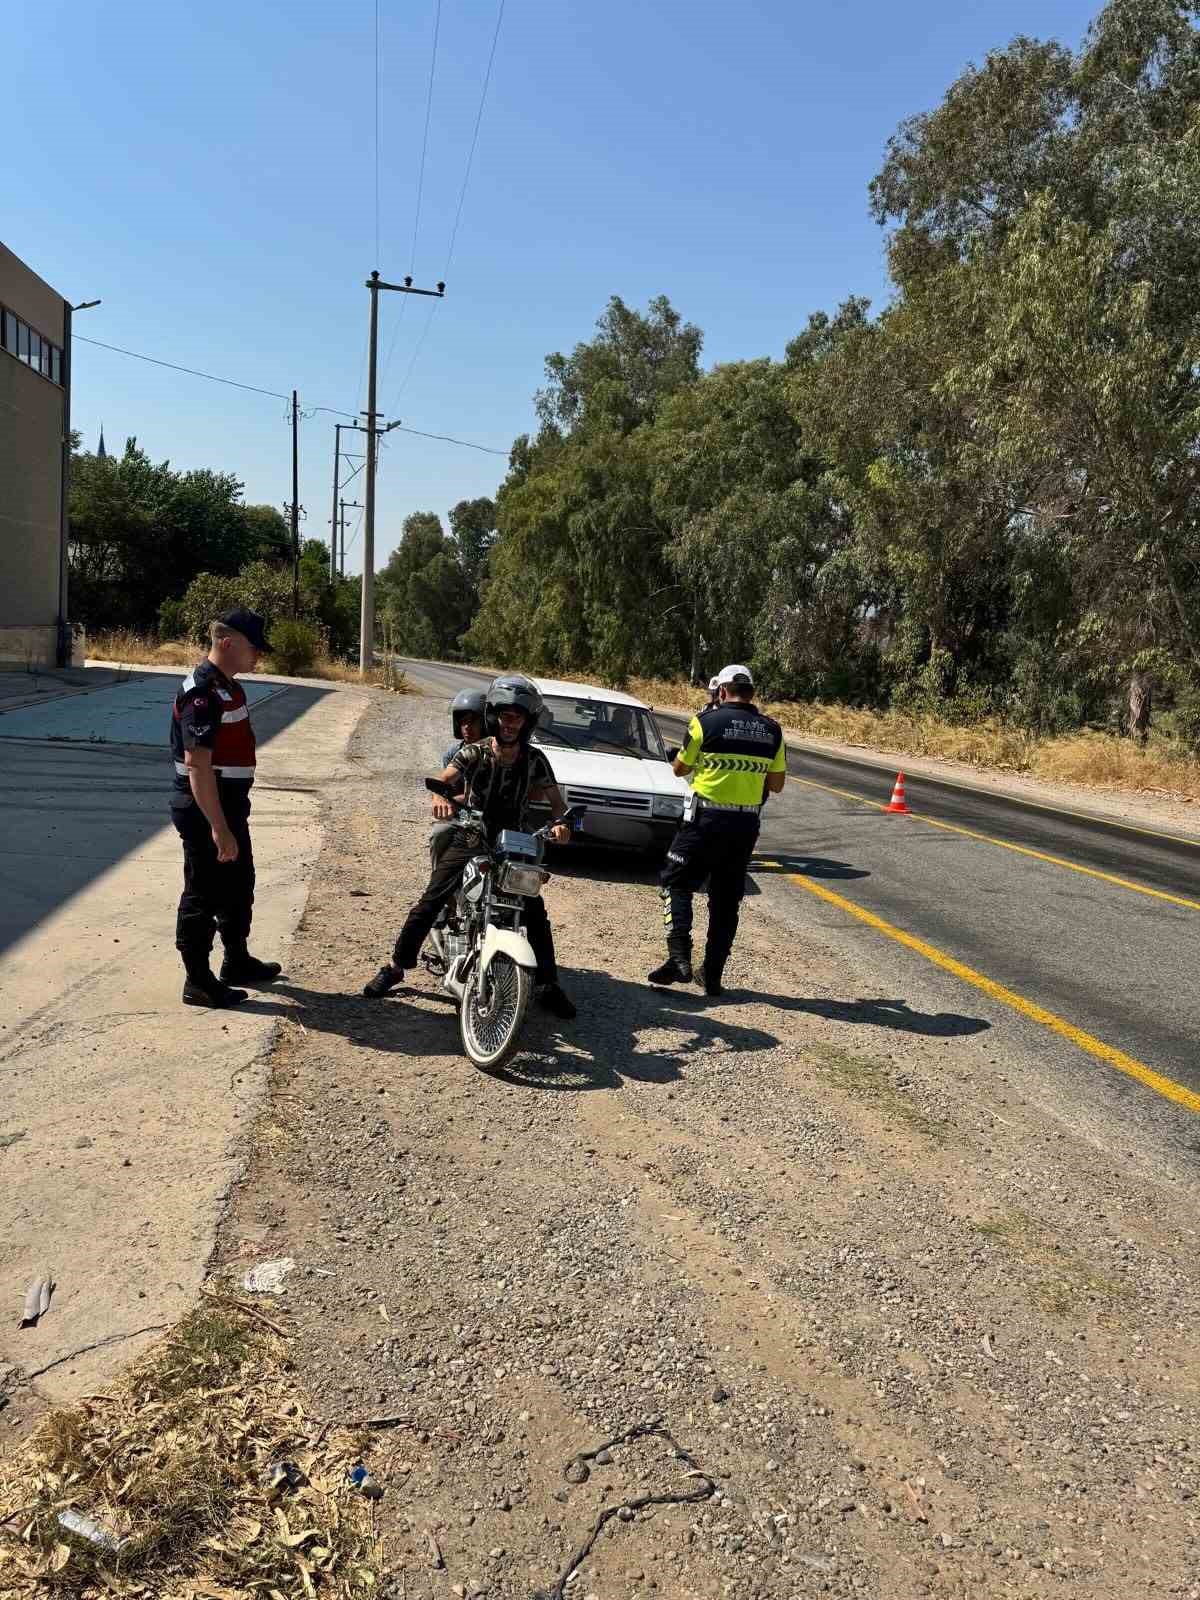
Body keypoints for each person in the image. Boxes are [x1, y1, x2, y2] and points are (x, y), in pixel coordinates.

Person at [363, 674, 577, 1018]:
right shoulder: (474, 751)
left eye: (517, 717)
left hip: (516, 841)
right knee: (431, 899)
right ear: (494, 716)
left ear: (527, 722)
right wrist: (439, 795)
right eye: (505, 716)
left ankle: (547, 984)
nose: (510, 724)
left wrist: (562, 823)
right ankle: (396, 966)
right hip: (473, 834)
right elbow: (446, 776)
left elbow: (555, 801)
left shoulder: (536, 760)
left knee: (534, 911)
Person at [648, 663, 785, 997]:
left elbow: (681, 768)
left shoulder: (704, 722)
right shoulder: (772, 730)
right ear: (752, 693)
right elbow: (777, 784)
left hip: (704, 821)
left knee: (675, 881)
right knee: (726, 900)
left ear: (722, 691)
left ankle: (679, 957)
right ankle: (711, 976)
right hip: (744, 826)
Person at [169, 607, 281, 1008]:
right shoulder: (202, 693)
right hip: (205, 807)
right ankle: (198, 980)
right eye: (255, 648)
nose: (259, 656)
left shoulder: (229, 686)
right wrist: (218, 827)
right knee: (204, 892)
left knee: (238, 886)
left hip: (230, 804)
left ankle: (237, 960)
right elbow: (198, 765)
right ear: (228, 642)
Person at [430, 689, 486, 864]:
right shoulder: (453, 753)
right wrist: (440, 799)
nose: (467, 727)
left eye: (473, 722)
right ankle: (439, 881)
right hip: (463, 814)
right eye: (463, 722)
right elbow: (445, 787)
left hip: (494, 814)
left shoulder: (497, 751)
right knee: (439, 834)